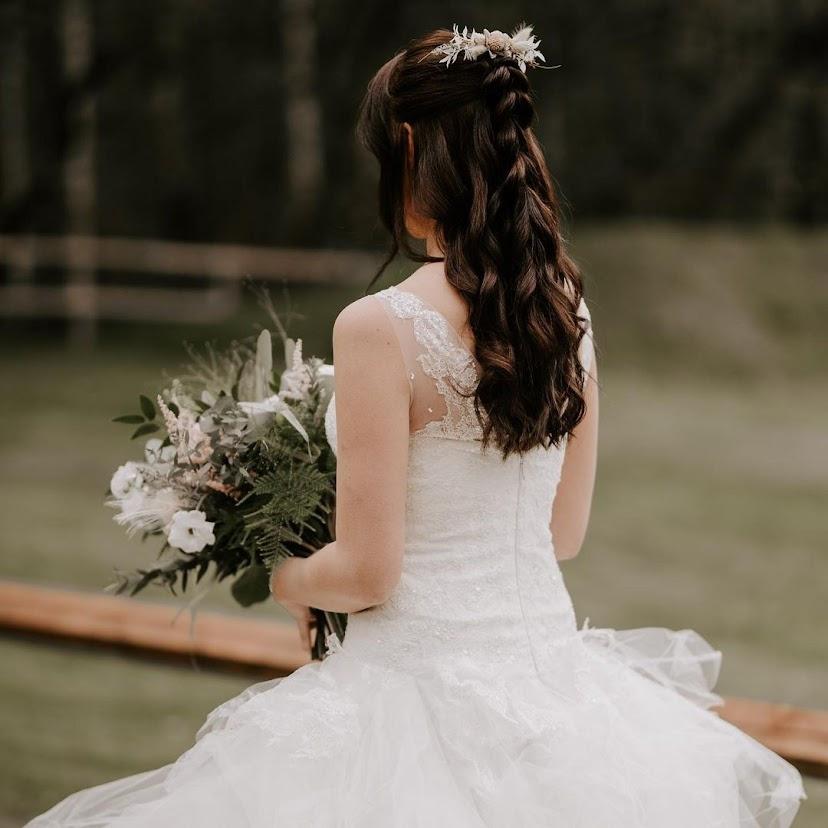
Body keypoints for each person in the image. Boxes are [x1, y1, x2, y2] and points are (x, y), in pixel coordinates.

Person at [27, 25, 805, 827]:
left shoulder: (380, 326)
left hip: (406, 711)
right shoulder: (566, 314)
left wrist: (283, 575)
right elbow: (561, 533)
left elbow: (369, 573)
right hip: (557, 703)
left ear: (407, 144)